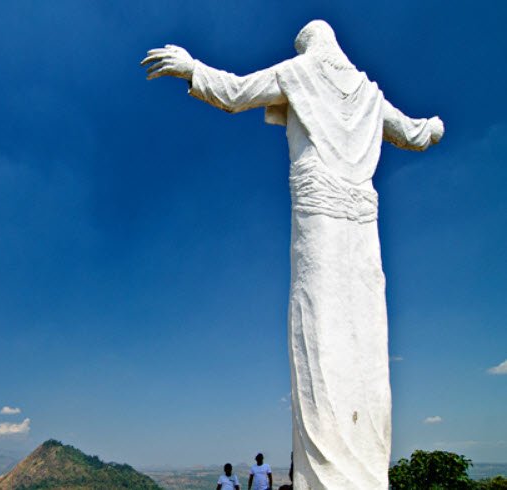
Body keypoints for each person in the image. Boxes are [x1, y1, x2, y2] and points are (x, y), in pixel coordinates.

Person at [142, 20, 443, 489]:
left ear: (307, 47)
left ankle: (330, 476)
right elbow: (411, 132)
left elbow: (237, 93)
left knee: (318, 331)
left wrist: (192, 68)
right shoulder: (369, 95)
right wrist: (433, 129)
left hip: (321, 218)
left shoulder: (299, 73)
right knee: (364, 333)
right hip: (364, 224)